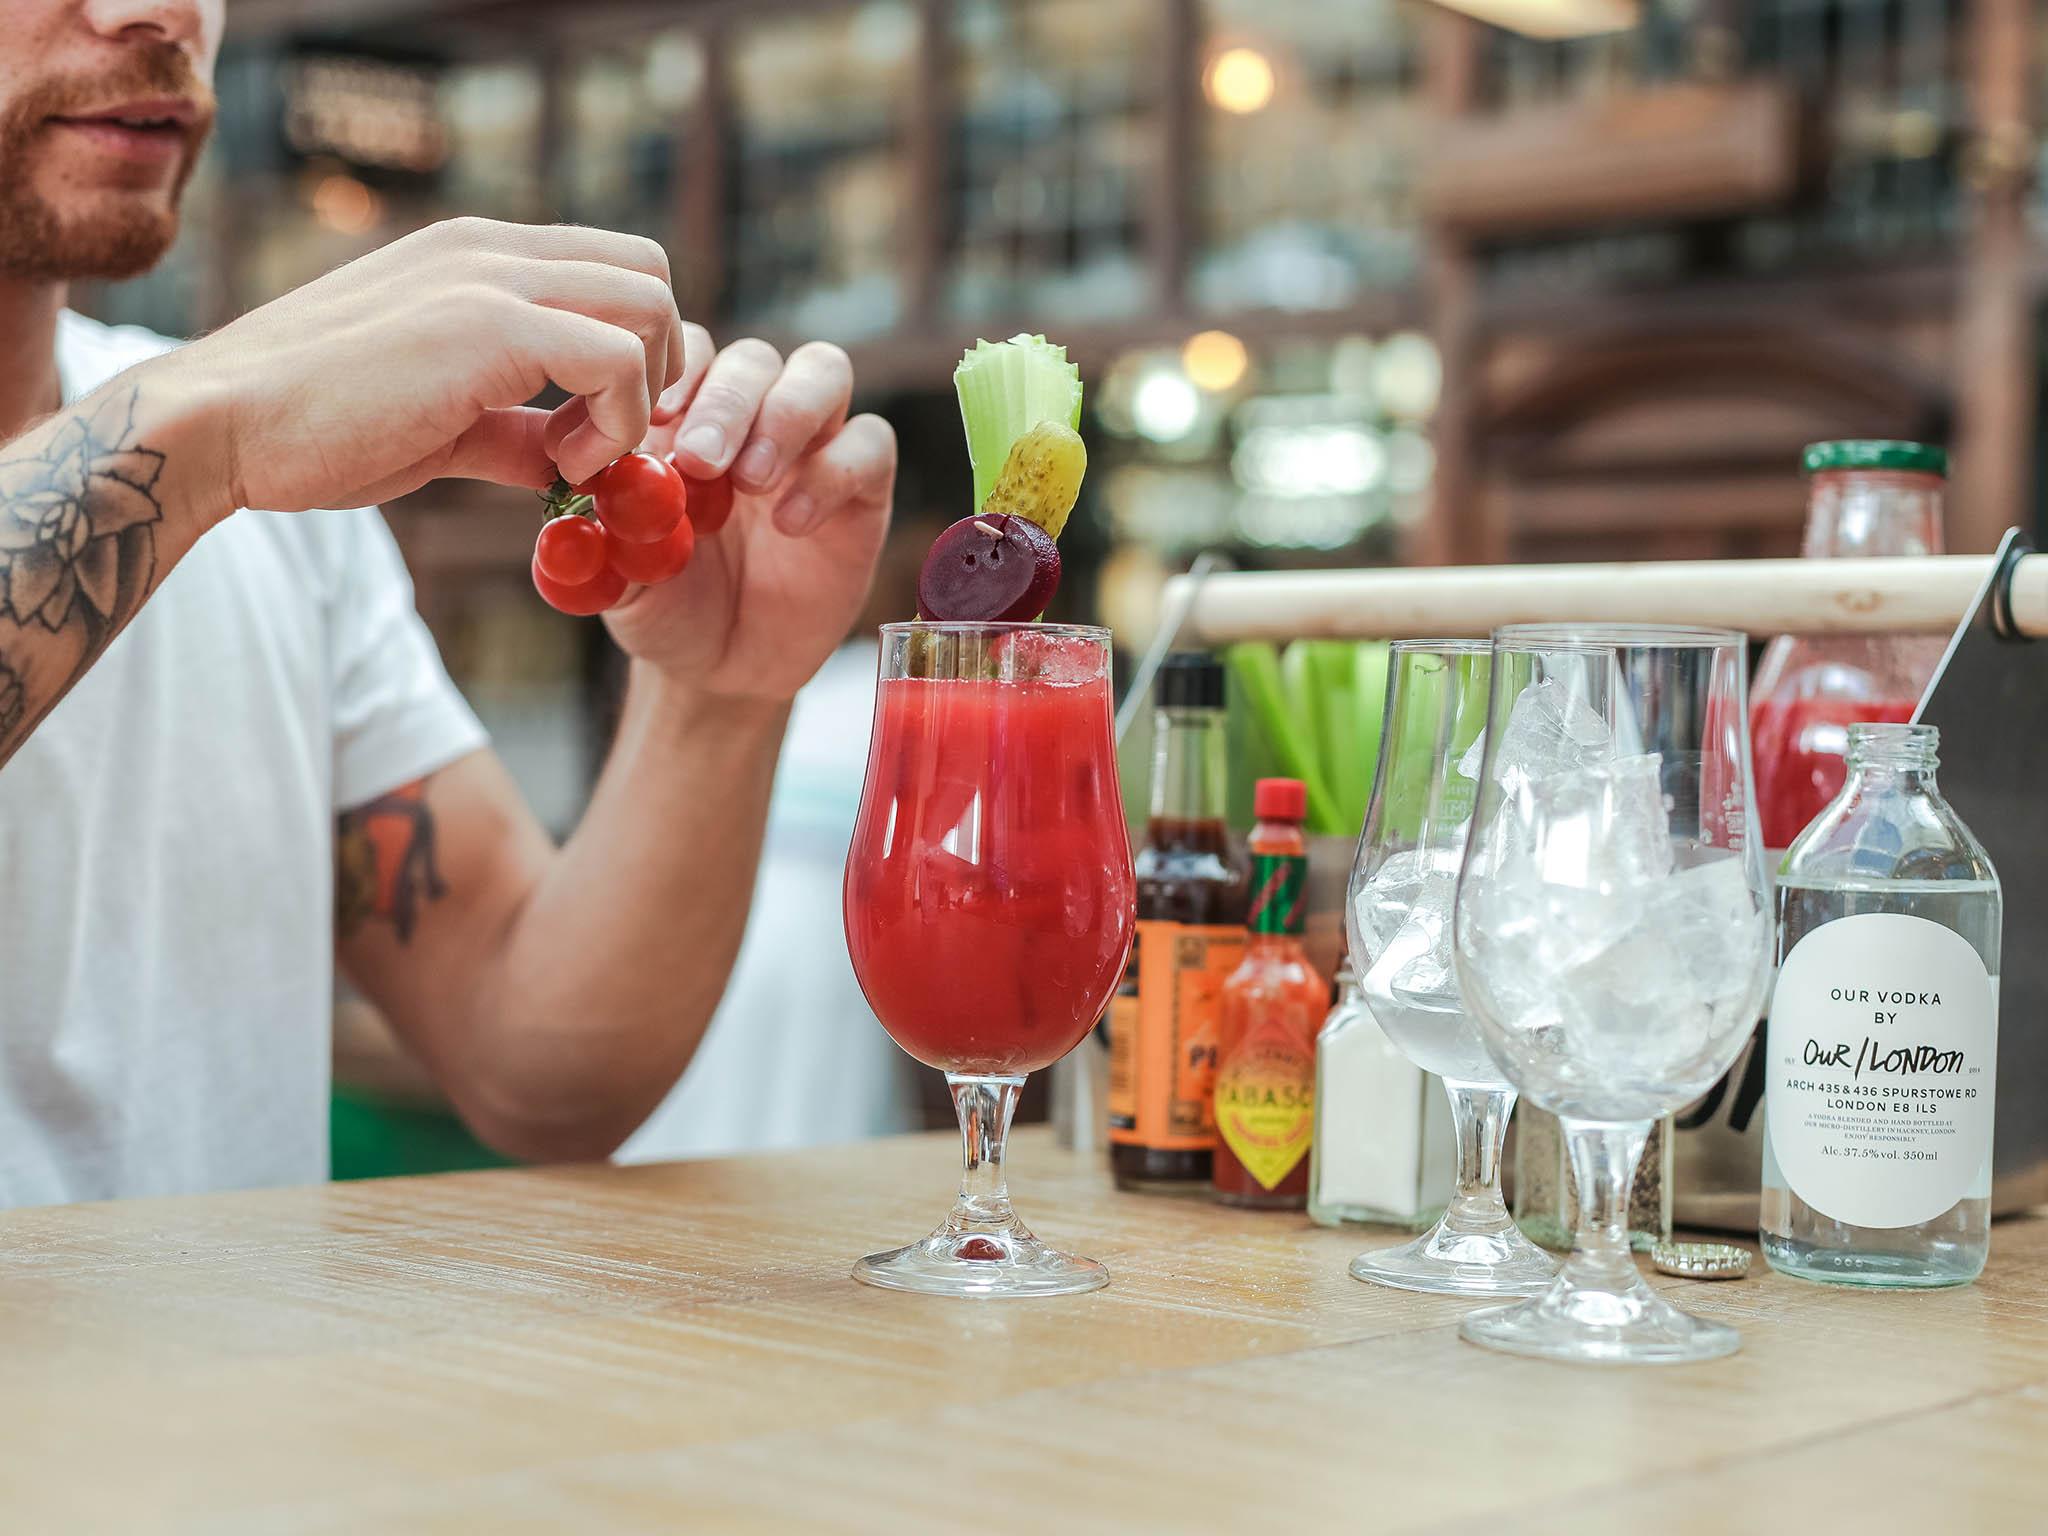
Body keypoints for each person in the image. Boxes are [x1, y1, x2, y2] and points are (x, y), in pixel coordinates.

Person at [0, 0, 898, 1206]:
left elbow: (541, 1067)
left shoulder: (266, 511)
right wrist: (203, 430)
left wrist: (714, 695)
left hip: (256, 1395)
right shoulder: (222, 438)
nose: (154, 11)